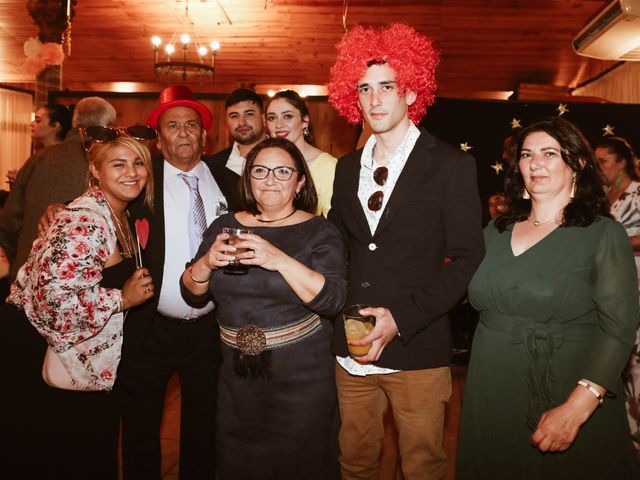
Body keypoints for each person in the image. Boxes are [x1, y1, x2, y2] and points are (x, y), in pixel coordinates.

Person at [327, 23, 484, 479]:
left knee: (422, 468)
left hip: (418, 346)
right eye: (364, 88)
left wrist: (402, 317)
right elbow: (339, 246)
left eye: (387, 87)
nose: (374, 100)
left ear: (412, 92)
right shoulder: (345, 167)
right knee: (354, 464)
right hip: (351, 349)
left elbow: (467, 258)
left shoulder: (452, 165)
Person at [456, 117, 640, 478]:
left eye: (549, 153)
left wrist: (577, 407)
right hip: (489, 387)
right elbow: (452, 287)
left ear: (578, 164)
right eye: (526, 154)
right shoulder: (495, 230)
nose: (535, 162)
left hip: (565, 384)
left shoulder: (602, 233)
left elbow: (619, 328)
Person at [181, 137, 346, 479]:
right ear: (248, 179)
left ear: (300, 182)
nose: (270, 179)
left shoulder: (320, 231)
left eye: (283, 171)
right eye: (260, 170)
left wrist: (278, 260)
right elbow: (193, 293)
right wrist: (207, 263)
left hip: (301, 376)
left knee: (299, 464)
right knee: (238, 463)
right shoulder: (224, 225)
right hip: (235, 376)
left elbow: (332, 299)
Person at [0, 134, 155, 480]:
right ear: (95, 171)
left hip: (77, 357)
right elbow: (52, 301)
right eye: (118, 164)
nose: (131, 172)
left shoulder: (119, 214)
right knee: (55, 458)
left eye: (138, 163)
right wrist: (123, 299)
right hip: (42, 355)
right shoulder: (84, 220)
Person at [115, 85, 241, 480]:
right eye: (173, 125)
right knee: (140, 425)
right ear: (160, 134)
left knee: (204, 425)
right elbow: (101, 202)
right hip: (150, 326)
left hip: (209, 328)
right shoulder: (140, 176)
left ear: (205, 135)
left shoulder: (229, 179)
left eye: (192, 125)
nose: (184, 132)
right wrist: (57, 207)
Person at [0, 97, 116, 279]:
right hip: (80, 279)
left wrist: (19, 260)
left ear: (74, 121)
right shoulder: (107, 163)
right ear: (108, 125)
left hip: (29, 272)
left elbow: (10, 221)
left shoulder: (39, 158)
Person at [595, 135, 640, 450]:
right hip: (609, 286)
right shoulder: (600, 196)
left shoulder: (638, 194)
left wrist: (617, 244)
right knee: (616, 354)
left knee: (636, 357)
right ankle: (624, 430)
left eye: (603, 162)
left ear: (622, 162)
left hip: (637, 281)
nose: (599, 168)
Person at [266, 90, 337, 217]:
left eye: (287, 116)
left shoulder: (327, 166)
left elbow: (333, 225)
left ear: (305, 121)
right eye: (272, 118)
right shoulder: (263, 164)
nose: (278, 124)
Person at [5, 103, 72, 187]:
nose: (31, 124)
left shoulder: (60, 156)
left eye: (38, 121)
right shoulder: (41, 153)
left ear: (55, 125)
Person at [206, 88, 267, 179]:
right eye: (234, 116)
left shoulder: (286, 156)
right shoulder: (213, 166)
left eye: (249, 114)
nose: (242, 122)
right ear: (227, 121)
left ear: (263, 118)